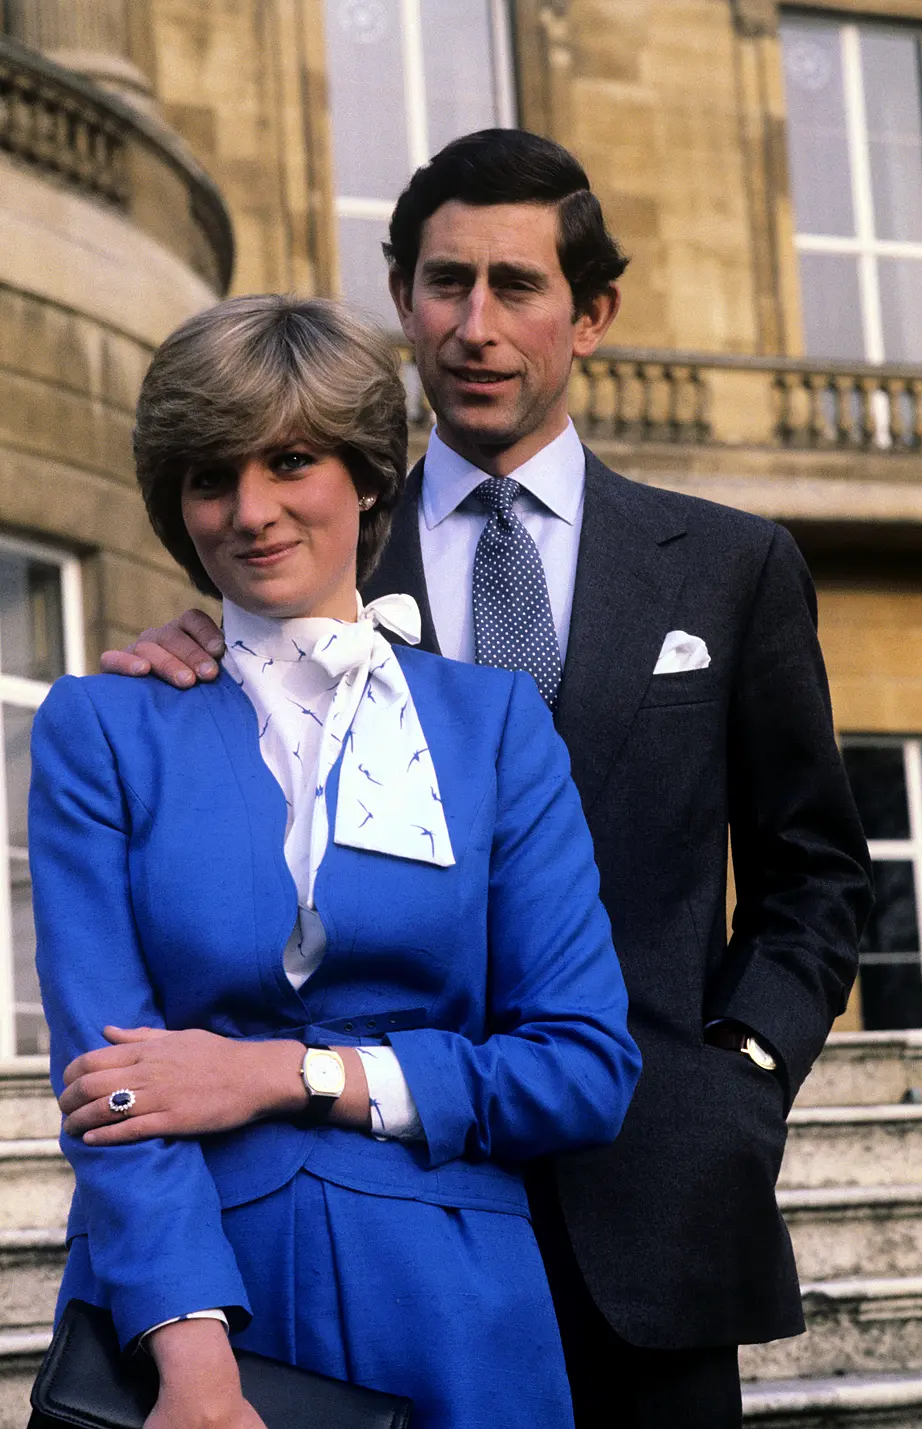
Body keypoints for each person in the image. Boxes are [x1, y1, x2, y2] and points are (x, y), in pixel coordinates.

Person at [97, 131, 873, 1428]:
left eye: (516, 285)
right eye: (443, 282)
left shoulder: (731, 569)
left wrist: (735, 1070)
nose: (474, 323)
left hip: (657, 1201)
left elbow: (820, 874)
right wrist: (189, 662)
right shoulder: (290, 553)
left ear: (592, 312)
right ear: (401, 299)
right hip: (382, 1220)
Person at [29, 293, 641, 1429]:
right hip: (196, 1307)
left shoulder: (492, 726)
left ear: (364, 474)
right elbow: (107, 1085)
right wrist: (197, 1368)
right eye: (212, 477)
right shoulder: (103, 726)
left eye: (292, 461)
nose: (250, 511)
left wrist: (283, 1073)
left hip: (456, 1308)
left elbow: (582, 1065)